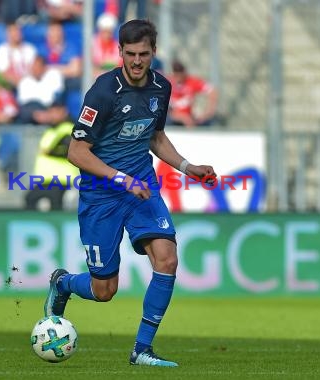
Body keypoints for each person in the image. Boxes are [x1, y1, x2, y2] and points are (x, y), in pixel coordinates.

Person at [43, 19, 216, 367]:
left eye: (144, 54)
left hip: (142, 187)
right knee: (103, 290)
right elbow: (77, 152)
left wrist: (187, 167)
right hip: (102, 195)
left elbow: (155, 138)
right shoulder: (103, 92)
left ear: (154, 52)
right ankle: (63, 283)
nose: (137, 61)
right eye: (131, 54)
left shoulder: (161, 88)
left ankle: (142, 349)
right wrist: (121, 179)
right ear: (119, 52)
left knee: (167, 259)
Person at [167, 59, 223, 128]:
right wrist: (182, 118)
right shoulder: (167, 82)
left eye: (180, 73)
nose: (178, 77)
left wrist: (209, 111)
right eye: (176, 73)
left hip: (189, 118)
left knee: (208, 123)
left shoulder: (191, 81)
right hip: (172, 119)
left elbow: (212, 91)